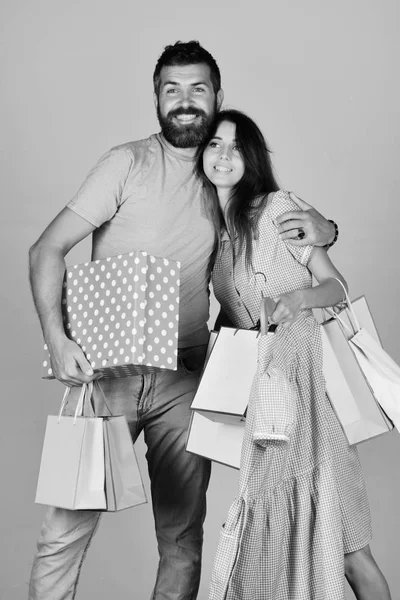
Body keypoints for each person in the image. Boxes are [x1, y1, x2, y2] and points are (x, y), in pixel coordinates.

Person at [28, 42, 337, 600]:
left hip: (187, 380)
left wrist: (326, 226)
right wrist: (56, 336)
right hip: (109, 375)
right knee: (66, 528)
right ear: (156, 99)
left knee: (181, 538)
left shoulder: (223, 175)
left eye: (198, 88)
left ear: (218, 96)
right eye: (172, 89)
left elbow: (283, 224)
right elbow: (47, 249)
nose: (185, 101)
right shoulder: (126, 163)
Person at [196, 109, 392, 599]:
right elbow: (234, 321)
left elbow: (335, 286)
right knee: (275, 546)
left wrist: (297, 299)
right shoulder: (215, 239)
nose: (223, 155)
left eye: (235, 147)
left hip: (311, 401)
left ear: (252, 158)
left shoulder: (279, 208)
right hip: (268, 412)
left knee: (351, 551)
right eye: (214, 144)